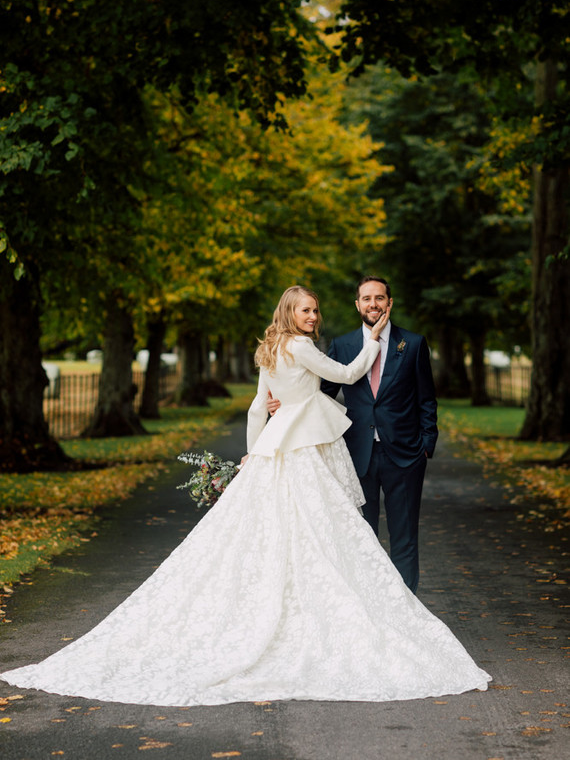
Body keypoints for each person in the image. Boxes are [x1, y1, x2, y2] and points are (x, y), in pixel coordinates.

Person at [0, 286, 490, 706]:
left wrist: (254, 455)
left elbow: (261, 407)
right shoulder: (297, 347)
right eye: (306, 310)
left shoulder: (271, 349)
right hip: (299, 451)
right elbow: (345, 376)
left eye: (316, 310)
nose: (313, 316)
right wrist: (375, 339)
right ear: (288, 314)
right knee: (321, 533)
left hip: (281, 447)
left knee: (293, 536)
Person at [268, 276, 436, 594]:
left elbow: (426, 398)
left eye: (380, 298)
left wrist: (427, 444)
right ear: (357, 304)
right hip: (356, 455)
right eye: (367, 298)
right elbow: (320, 393)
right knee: (360, 536)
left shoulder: (412, 344)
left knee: (404, 537)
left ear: (389, 302)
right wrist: (281, 404)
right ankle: (371, 603)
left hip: (405, 455)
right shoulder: (342, 346)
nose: (373, 304)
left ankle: (407, 607)